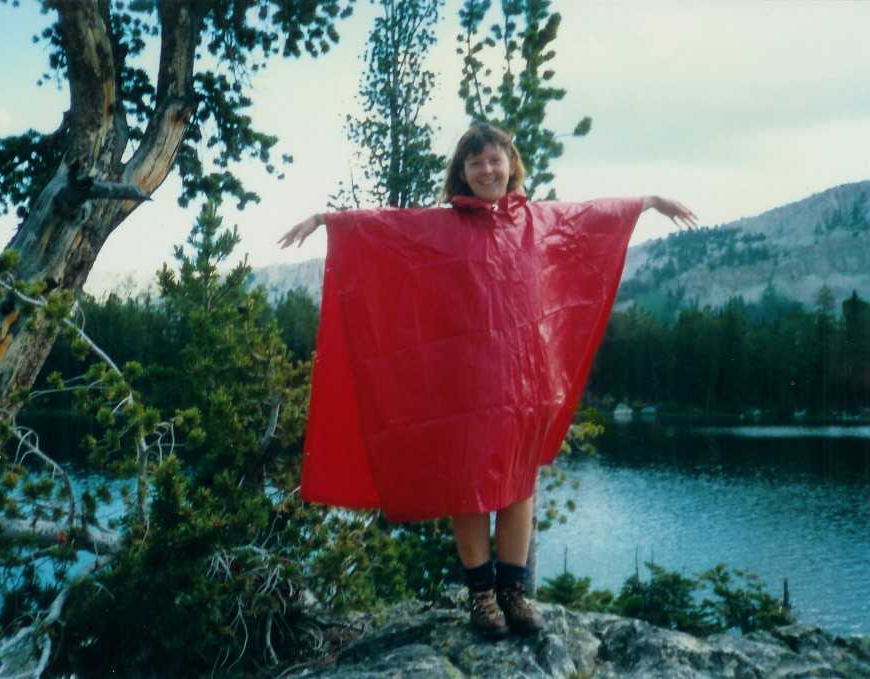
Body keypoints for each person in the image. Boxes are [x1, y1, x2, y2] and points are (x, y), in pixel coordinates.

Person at [279, 123, 696, 639]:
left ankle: (513, 592)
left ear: (511, 164)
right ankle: (481, 597)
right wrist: (330, 221)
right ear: (462, 172)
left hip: (523, 380)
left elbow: (589, 217)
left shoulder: (536, 220)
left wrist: (647, 201)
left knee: (518, 483)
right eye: (475, 163)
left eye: (494, 159)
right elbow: (387, 227)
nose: (486, 170)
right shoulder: (442, 225)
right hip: (465, 385)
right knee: (469, 486)